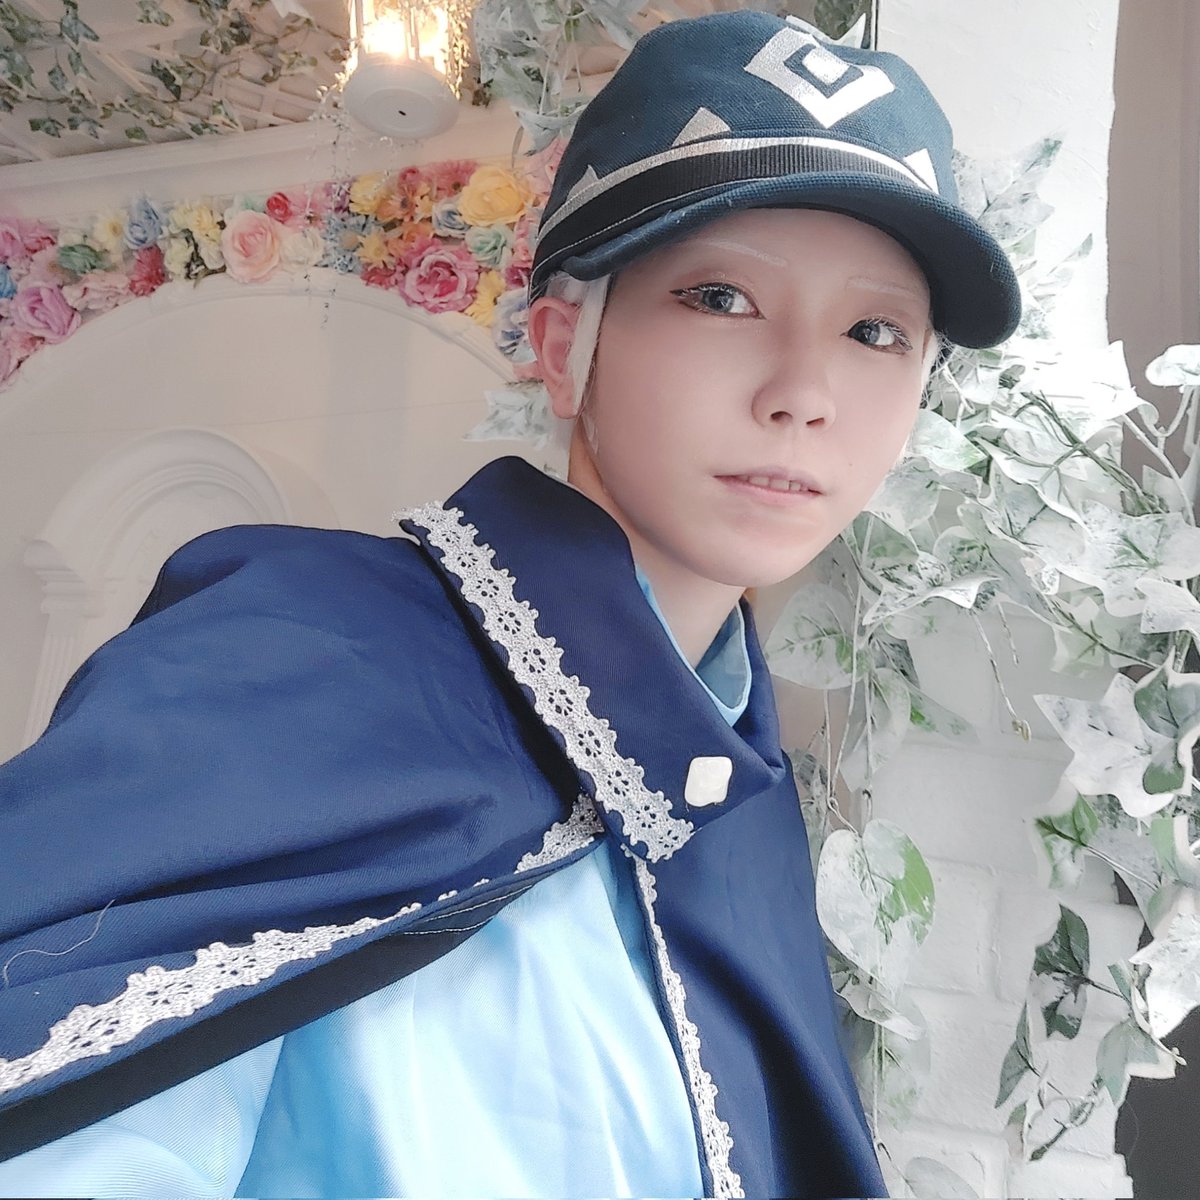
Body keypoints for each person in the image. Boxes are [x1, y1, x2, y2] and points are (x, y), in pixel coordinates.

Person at [0, 11, 1019, 1198]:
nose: (804, 392)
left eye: (877, 331)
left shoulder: (741, 817)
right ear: (564, 342)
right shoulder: (294, 647)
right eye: (721, 298)